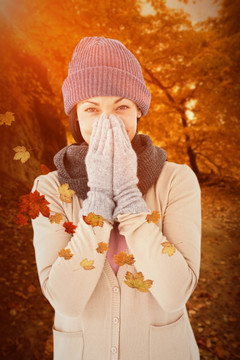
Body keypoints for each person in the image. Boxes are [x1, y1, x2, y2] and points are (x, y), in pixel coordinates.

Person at [31, 36, 201, 360]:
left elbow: (176, 292)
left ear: (138, 110)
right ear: (75, 116)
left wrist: (127, 194)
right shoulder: (49, 189)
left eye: (121, 106)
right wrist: (100, 197)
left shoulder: (177, 180)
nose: (107, 120)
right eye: (92, 108)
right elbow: (65, 300)